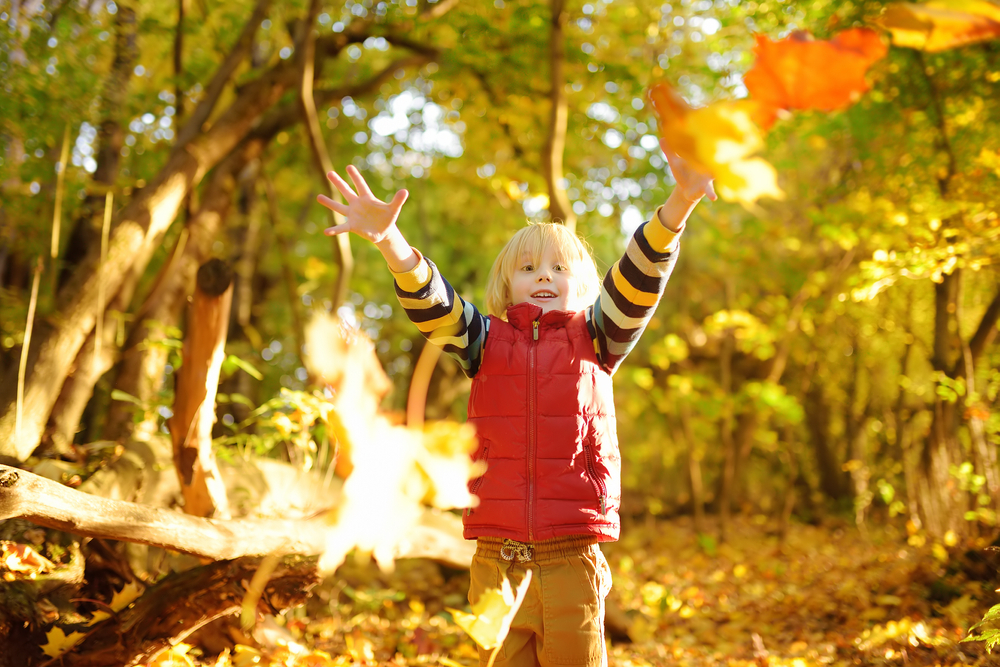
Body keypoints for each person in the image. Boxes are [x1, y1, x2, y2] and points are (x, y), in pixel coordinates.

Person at [317, 138, 715, 667]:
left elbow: (640, 276)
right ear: (506, 286)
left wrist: (679, 205)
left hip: (570, 557)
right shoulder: (485, 341)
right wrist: (391, 241)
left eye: (558, 268)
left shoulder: (599, 337)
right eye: (528, 268)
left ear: (584, 286)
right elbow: (435, 306)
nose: (544, 276)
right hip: (494, 561)